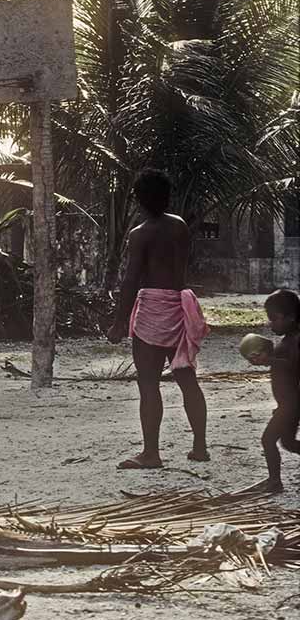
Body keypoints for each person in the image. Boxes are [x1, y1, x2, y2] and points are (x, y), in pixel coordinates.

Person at [107, 170, 210, 469]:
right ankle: (200, 447)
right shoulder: (179, 226)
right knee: (187, 380)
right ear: (166, 196)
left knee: (149, 385)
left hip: (153, 307)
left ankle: (151, 453)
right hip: (179, 305)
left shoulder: (140, 234)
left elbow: (131, 279)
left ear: (139, 199)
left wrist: (118, 322)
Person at [244, 290, 300, 493]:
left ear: (291, 317)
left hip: (290, 404)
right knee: (288, 443)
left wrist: (268, 361)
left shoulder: (295, 339)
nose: (271, 324)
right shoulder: (288, 338)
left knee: (268, 440)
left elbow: (293, 365)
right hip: (287, 404)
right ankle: (274, 481)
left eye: (274, 319)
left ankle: (274, 482)